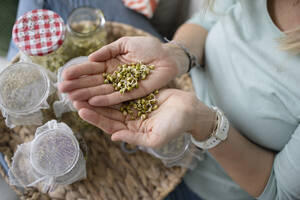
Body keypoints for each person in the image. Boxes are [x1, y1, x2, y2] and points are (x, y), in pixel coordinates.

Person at [59, 0, 300, 199]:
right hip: (170, 87)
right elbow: (204, 23)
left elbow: (278, 191)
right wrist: (174, 55)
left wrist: (203, 122)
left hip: (201, 186)